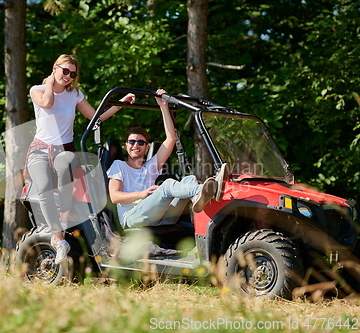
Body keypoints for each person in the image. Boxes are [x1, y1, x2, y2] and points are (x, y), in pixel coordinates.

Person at [25, 54, 135, 265]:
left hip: (64, 149)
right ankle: (59, 240)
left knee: (65, 167)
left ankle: (62, 227)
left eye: (72, 74)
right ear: (54, 67)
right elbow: (47, 103)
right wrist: (49, 82)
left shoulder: (74, 94)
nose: (68, 76)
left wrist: (120, 104)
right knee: (44, 188)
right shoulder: (37, 90)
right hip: (39, 149)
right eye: (64, 71)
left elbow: (96, 117)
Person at [107, 89, 228, 229]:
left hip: (161, 217)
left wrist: (163, 106)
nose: (136, 145)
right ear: (126, 145)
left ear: (146, 148)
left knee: (190, 179)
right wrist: (143, 194)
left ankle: (207, 213)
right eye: (132, 142)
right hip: (132, 218)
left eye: (140, 142)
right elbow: (115, 197)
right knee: (167, 185)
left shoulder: (150, 167)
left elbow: (171, 139)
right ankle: (206, 191)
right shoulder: (119, 165)